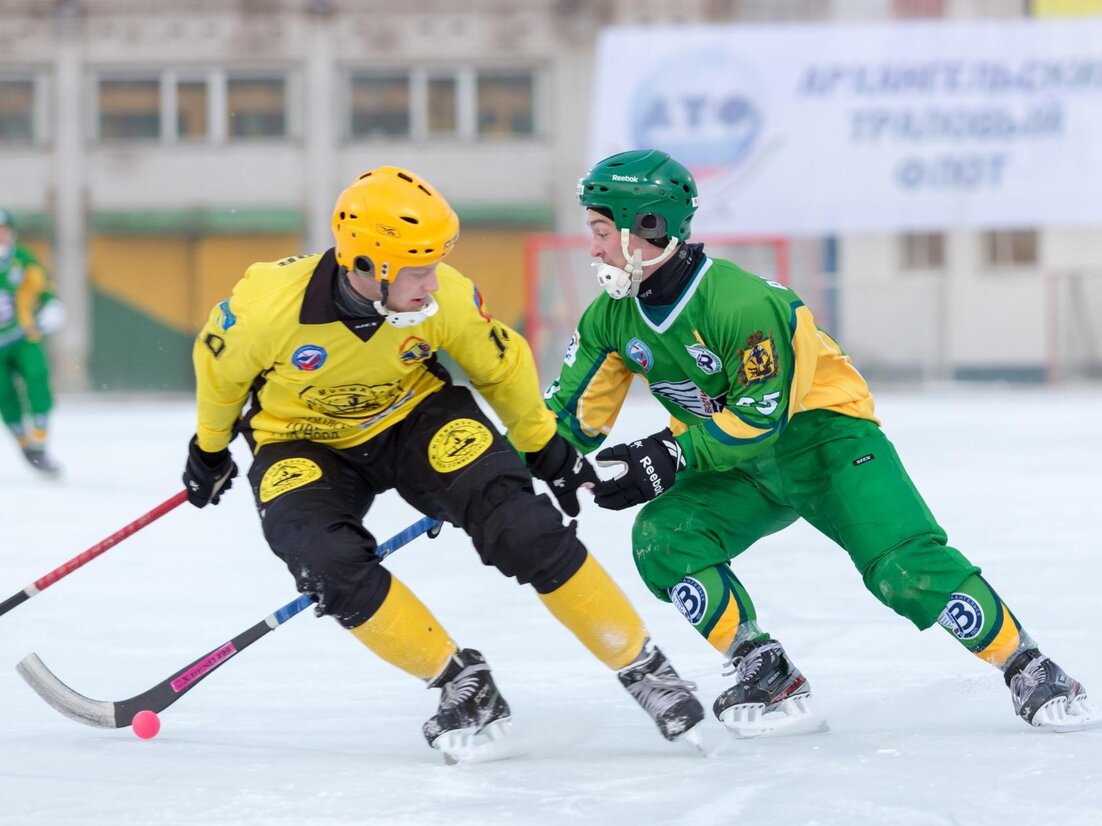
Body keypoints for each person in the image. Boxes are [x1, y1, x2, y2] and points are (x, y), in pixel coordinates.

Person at [543, 148, 1096, 738]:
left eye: (602, 232)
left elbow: (760, 417)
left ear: (647, 228)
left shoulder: (741, 302)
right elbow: (564, 421)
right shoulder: (611, 318)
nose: (594, 248)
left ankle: (1028, 665)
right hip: (739, 467)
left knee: (902, 568)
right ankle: (765, 668)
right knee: (663, 535)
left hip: (827, 443)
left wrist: (670, 453)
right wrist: (491, 471)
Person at [182, 166, 705, 761]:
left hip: (415, 420)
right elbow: (218, 372)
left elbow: (500, 367)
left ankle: (646, 669)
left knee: (524, 527)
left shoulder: (444, 298)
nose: (433, 283)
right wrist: (210, 447)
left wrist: (546, 450)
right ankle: (459, 679)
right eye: (418, 269)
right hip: (303, 443)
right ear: (370, 266)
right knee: (325, 562)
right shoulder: (265, 308)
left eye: (435, 264)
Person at [0, 208, 65, 477]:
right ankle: (25, 444)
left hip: (22, 335)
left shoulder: (22, 258)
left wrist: (51, 308)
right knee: (5, 396)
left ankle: (39, 439)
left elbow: (45, 288)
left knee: (37, 377)